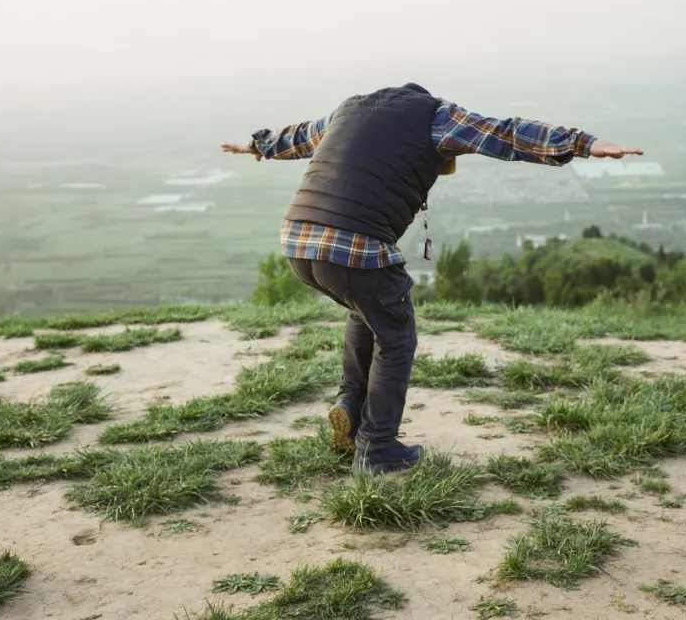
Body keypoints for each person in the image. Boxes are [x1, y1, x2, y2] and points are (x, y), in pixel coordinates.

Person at [223, 82, 642, 473]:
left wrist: (257, 145)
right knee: (396, 336)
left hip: (297, 239)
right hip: (352, 242)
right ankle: (378, 448)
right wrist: (585, 144)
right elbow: (508, 134)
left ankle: (350, 407)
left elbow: (298, 136)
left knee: (366, 309)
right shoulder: (436, 116)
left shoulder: (348, 111)